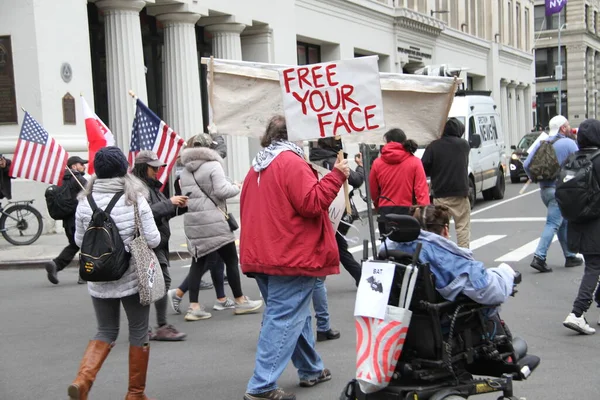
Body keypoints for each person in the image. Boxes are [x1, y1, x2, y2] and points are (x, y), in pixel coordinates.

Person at [240, 115, 349, 400]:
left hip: (264, 252)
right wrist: (337, 175)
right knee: (285, 316)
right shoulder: (291, 162)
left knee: (292, 316)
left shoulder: (258, 165)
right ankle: (261, 386)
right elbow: (312, 203)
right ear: (294, 135)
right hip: (291, 253)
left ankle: (311, 369)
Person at [69, 146, 161, 400]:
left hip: (98, 275)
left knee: (105, 330)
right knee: (139, 330)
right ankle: (135, 394)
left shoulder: (84, 201)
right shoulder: (134, 198)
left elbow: (79, 241)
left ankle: (83, 381)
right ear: (124, 170)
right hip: (132, 276)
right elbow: (153, 239)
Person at [179, 133, 262, 321]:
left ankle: (194, 307)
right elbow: (222, 191)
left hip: (194, 222)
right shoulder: (213, 165)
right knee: (231, 260)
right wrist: (236, 186)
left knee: (197, 262)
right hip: (215, 221)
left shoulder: (185, 171)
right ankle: (240, 300)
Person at [382, 205, 516, 307]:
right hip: (447, 327)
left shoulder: (393, 247)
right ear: (445, 230)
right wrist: (506, 272)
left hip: (410, 320)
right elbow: (488, 290)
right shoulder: (442, 257)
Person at [132, 150, 187, 341]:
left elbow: (163, 212)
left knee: (158, 284)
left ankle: (154, 326)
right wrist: (171, 203)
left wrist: (179, 205)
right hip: (147, 243)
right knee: (152, 285)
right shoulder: (137, 188)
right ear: (143, 168)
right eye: (153, 167)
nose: (157, 171)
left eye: (157, 167)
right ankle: (154, 327)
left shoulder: (152, 187)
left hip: (157, 242)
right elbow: (144, 213)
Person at [524, 115, 583, 273]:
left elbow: (526, 164)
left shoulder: (542, 143)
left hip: (545, 190)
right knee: (553, 223)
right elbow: (582, 164)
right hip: (560, 190)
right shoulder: (569, 143)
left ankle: (570, 256)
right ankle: (539, 257)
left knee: (562, 223)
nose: (570, 128)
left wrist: (535, 176)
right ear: (563, 128)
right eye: (568, 125)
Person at [309, 137, 364, 286]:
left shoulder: (309, 163)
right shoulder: (336, 162)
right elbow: (357, 180)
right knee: (337, 248)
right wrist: (361, 167)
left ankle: (318, 281)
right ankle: (360, 278)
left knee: (332, 247)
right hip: (339, 213)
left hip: (322, 211)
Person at [562, 119, 600, 335]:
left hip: (577, 223)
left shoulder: (572, 159)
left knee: (595, 265)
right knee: (594, 267)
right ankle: (577, 313)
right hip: (596, 224)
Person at [422, 117, 472, 248]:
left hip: (441, 195)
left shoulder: (433, 146)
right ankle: (464, 254)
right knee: (462, 227)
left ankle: (443, 253)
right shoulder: (464, 145)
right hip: (460, 194)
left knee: (440, 227)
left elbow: (423, 168)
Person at [369, 128, 429, 235]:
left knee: (387, 247)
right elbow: (421, 191)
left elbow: (373, 191)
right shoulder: (415, 162)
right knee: (410, 247)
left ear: (387, 142)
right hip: (408, 212)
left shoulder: (377, 163)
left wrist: (379, 206)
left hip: (385, 211)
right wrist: (423, 212)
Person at [45, 156, 88, 285]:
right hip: (79, 220)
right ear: (74, 167)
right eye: (81, 164)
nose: (84, 166)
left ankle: (56, 265)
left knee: (75, 245)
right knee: (87, 246)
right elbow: (91, 195)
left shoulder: (59, 180)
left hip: (67, 222)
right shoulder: (78, 179)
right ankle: (84, 275)